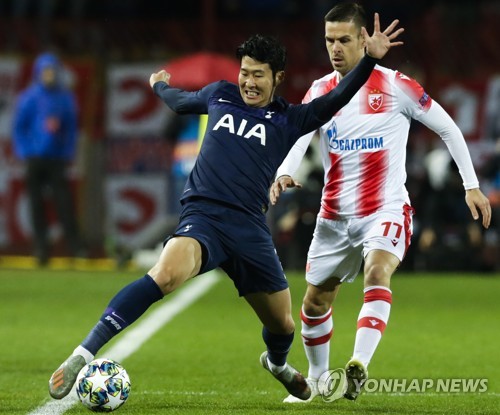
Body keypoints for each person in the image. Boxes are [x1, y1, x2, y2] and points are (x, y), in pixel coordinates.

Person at [48, 18, 403, 401]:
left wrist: (368, 61)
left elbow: (336, 99)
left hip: (250, 229)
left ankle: (278, 364)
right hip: (204, 219)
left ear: (277, 77)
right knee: (165, 274)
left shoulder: (290, 119)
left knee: (283, 326)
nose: (248, 82)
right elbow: (180, 102)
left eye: (258, 75)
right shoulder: (221, 94)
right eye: (244, 73)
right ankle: (82, 353)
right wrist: (159, 85)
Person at [269, 2, 492, 403]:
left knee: (377, 271)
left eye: (344, 40)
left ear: (362, 40)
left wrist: (470, 184)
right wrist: (285, 171)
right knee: (316, 301)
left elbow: (448, 128)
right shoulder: (321, 90)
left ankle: (358, 363)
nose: (335, 48)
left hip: (385, 209)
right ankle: (318, 381)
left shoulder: (396, 86)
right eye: (328, 40)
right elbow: (299, 136)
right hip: (334, 217)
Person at [12, 52, 83, 266]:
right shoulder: (29, 97)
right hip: (35, 158)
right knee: (36, 205)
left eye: (53, 71)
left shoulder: (65, 98)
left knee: (64, 204)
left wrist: (68, 152)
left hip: (56, 158)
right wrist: (25, 151)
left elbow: (71, 128)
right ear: (38, 73)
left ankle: (75, 247)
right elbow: (19, 128)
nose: (49, 75)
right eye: (46, 71)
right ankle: (41, 249)